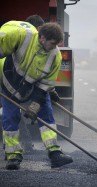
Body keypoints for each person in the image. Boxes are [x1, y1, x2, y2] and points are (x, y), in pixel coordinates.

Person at [0, 18, 73, 170]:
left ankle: (55, 154)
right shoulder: (21, 35)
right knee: (10, 117)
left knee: (46, 113)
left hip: (33, 87)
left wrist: (36, 104)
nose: (55, 48)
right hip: (9, 81)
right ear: (42, 37)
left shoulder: (56, 56)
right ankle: (13, 156)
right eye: (53, 44)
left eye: (57, 45)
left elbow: (45, 84)